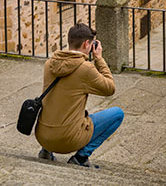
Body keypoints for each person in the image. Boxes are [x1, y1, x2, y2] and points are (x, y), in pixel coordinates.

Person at [35, 23, 124, 168]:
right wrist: (99, 59)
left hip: (43, 136)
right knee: (117, 114)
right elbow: (110, 89)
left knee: (58, 102)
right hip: (67, 140)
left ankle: (46, 151)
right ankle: (81, 157)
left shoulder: (50, 64)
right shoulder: (85, 68)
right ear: (87, 44)